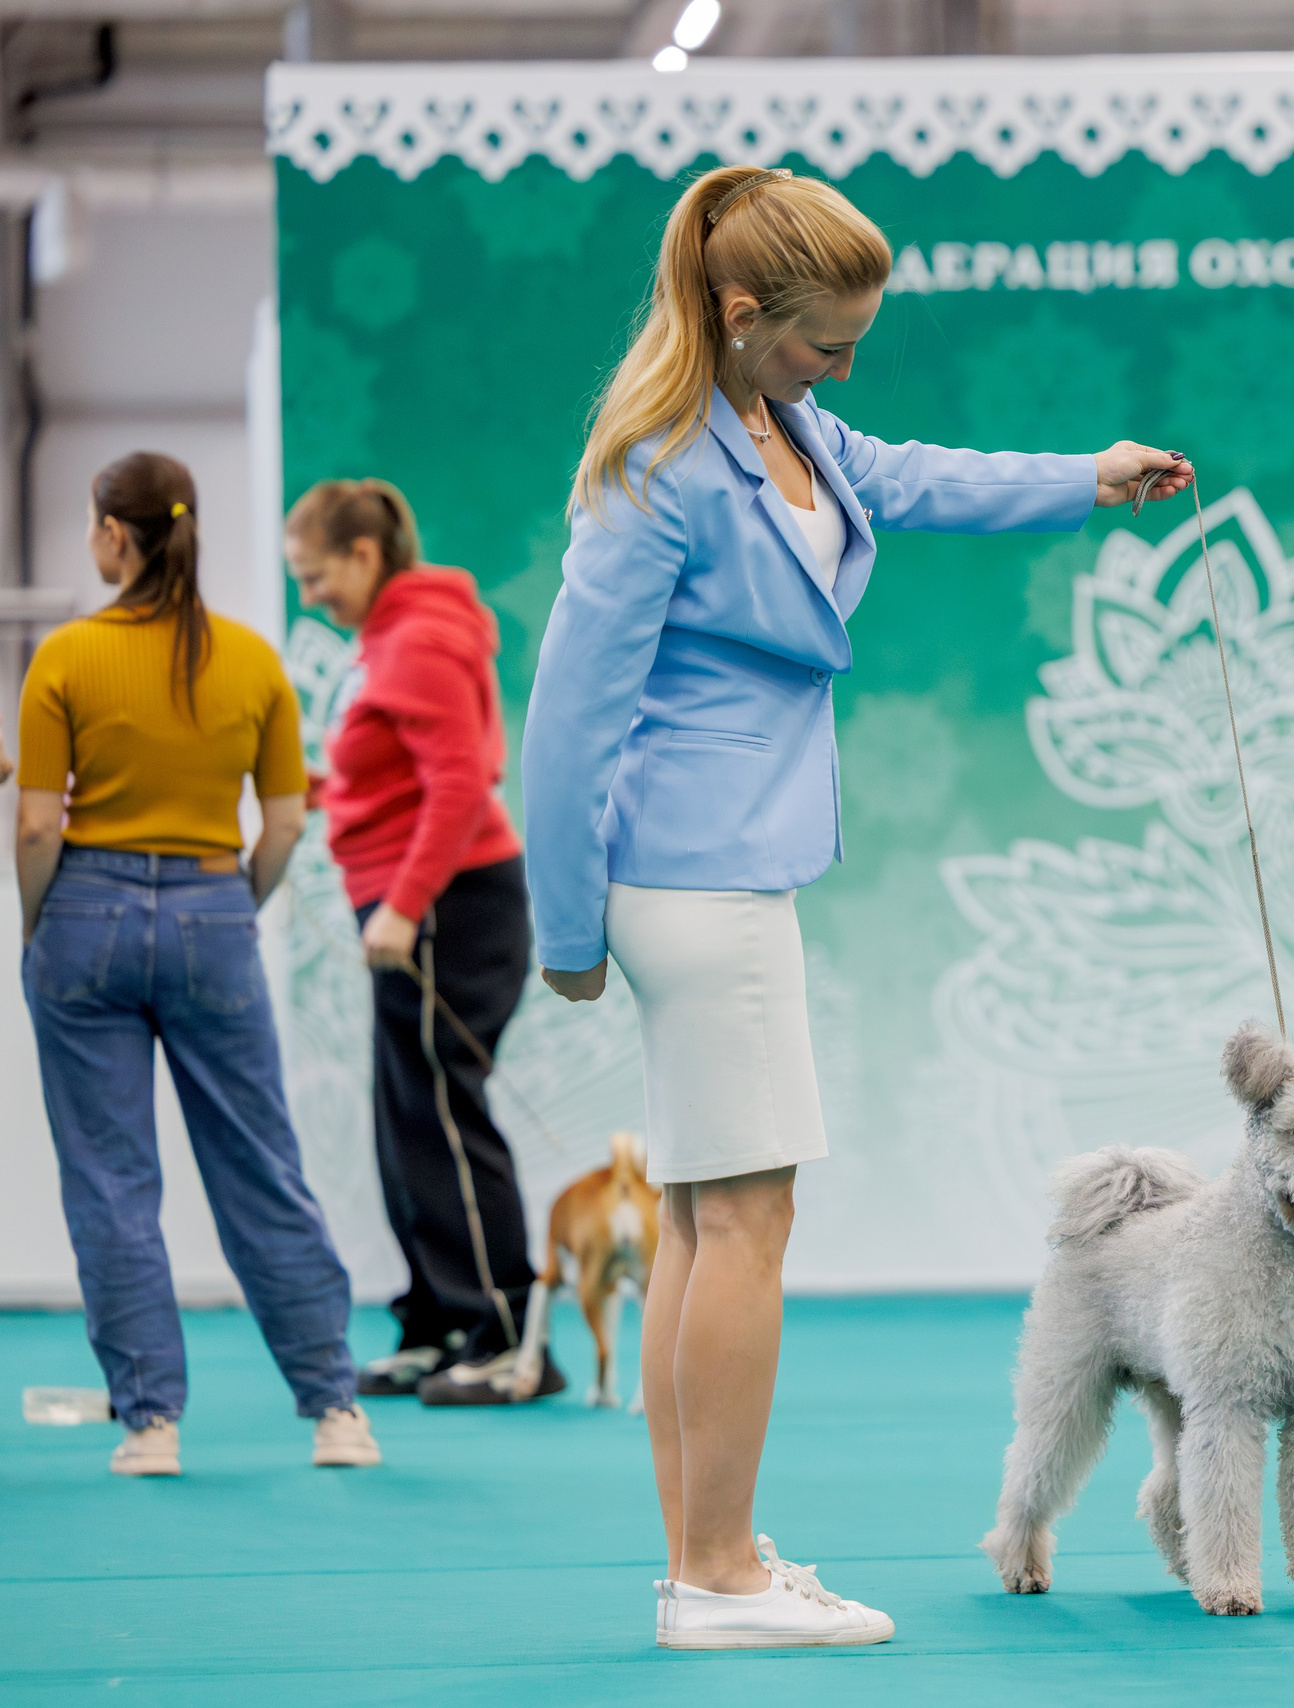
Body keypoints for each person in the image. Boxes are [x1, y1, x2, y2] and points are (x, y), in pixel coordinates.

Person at [520, 163, 1190, 1651]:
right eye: (827, 342)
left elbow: (911, 476)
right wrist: (562, 931)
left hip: (725, 867)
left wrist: (1088, 475)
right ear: (744, 312)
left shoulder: (782, 422)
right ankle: (719, 1581)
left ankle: (709, 1555)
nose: (846, 370)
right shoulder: (660, 470)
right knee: (748, 1220)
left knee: (704, 1220)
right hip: (696, 880)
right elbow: (566, 721)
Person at [13, 450, 378, 1476]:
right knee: (261, 1166)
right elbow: (287, 823)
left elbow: (38, 827)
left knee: (111, 1178)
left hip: (83, 911)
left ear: (115, 537)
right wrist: (227, 908)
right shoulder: (254, 659)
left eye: (95, 525)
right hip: (217, 910)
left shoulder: (66, 659)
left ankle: (151, 1424)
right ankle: (335, 1408)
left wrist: (39, 929)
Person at [286, 478, 564, 1407]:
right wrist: (316, 794)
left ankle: (507, 1334)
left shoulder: (421, 639)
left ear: (363, 556)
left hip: (450, 905)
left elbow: (460, 782)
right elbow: (391, 779)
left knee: (447, 1114)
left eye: (316, 576)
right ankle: (440, 1320)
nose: (310, 596)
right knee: (405, 1117)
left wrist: (403, 904)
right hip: (412, 903)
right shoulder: (384, 643)